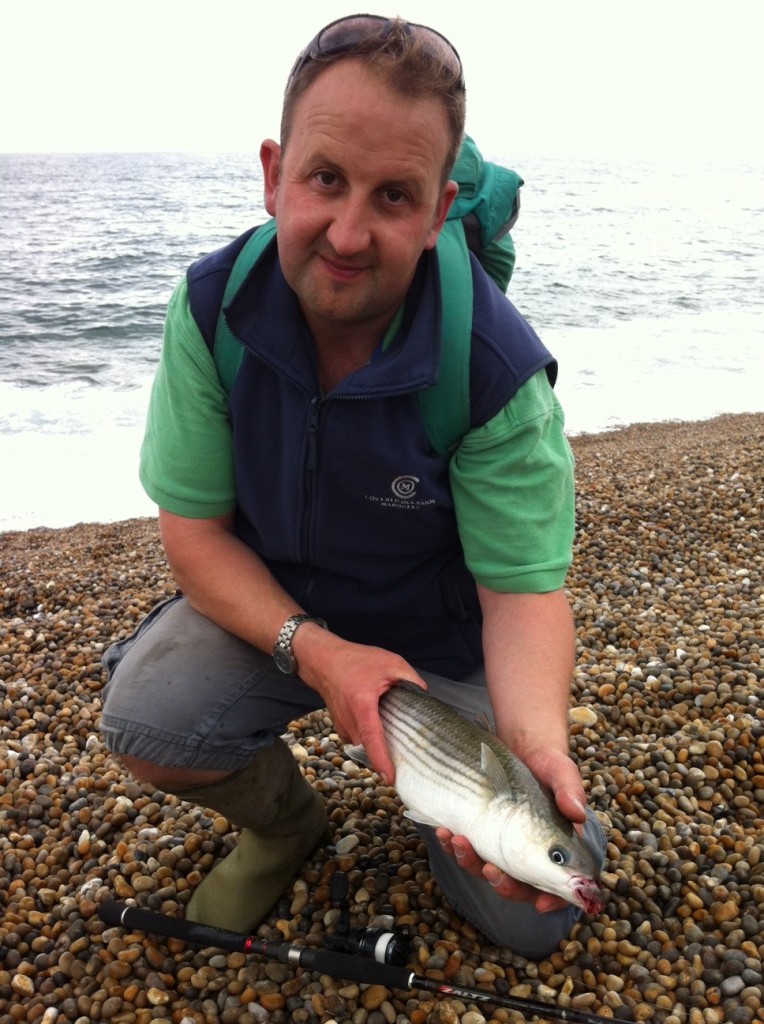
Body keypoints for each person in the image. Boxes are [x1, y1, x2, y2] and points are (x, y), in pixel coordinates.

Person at [100, 13, 605, 959]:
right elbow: (196, 534)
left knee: (537, 910)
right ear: (273, 171)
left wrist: (534, 751)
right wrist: (322, 655)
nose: (348, 232)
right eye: (325, 179)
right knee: (147, 718)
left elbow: (524, 591)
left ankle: (457, 800)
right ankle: (288, 824)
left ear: (437, 207)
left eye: (394, 196)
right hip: (283, 615)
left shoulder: (492, 369)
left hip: (439, 653)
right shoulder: (213, 310)